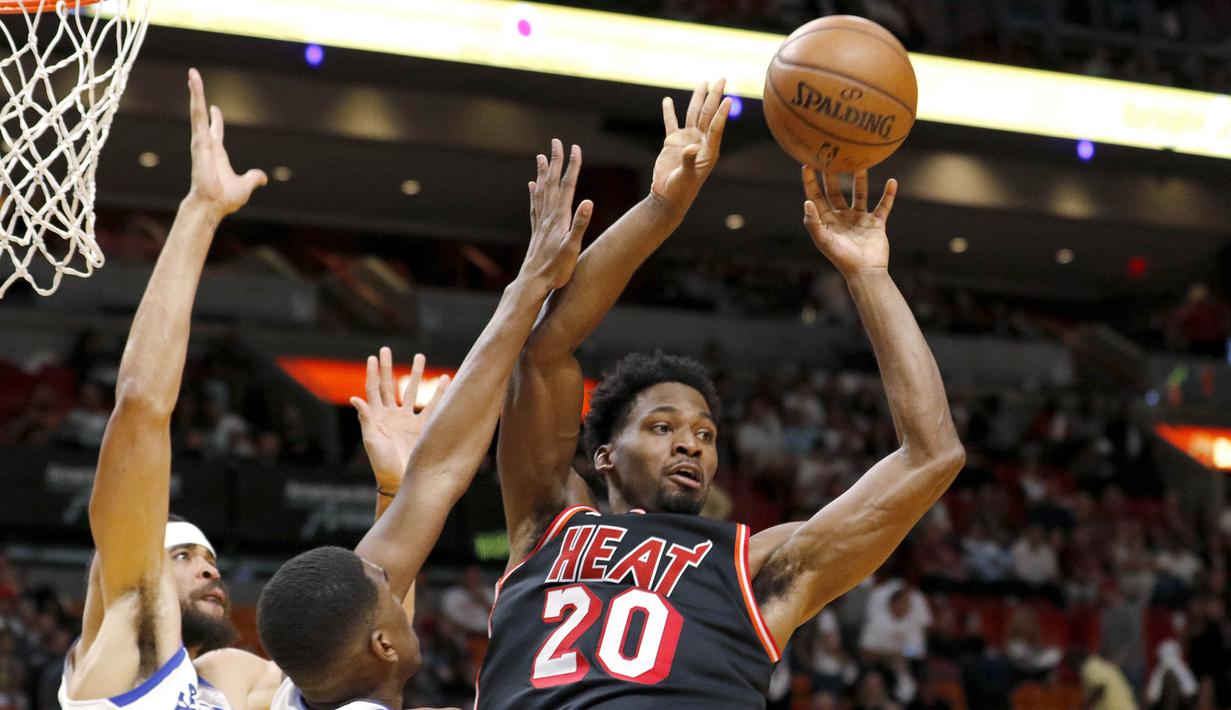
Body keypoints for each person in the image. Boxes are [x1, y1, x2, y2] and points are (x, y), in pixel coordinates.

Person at [473, 78, 965, 707]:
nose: (691, 446)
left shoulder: (753, 565)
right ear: (602, 455)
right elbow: (542, 353)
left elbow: (932, 455)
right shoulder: (549, 523)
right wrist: (661, 208)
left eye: (705, 434)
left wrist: (869, 276)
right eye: (662, 427)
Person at [256, 140, 593, 710]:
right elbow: (441, 470)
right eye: (386, 587)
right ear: (383, 644)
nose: (397, 578)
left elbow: (439, 472)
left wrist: (396, 487)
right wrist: (528, 282)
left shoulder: (304, 689)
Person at [60, 69, 270, 710]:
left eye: (207, 556)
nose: (209, 569)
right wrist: (201, 213)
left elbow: (366, 655)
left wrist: (393, 488)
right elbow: (143, 406)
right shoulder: (128, 622)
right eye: (184, 555)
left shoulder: (232, 679)